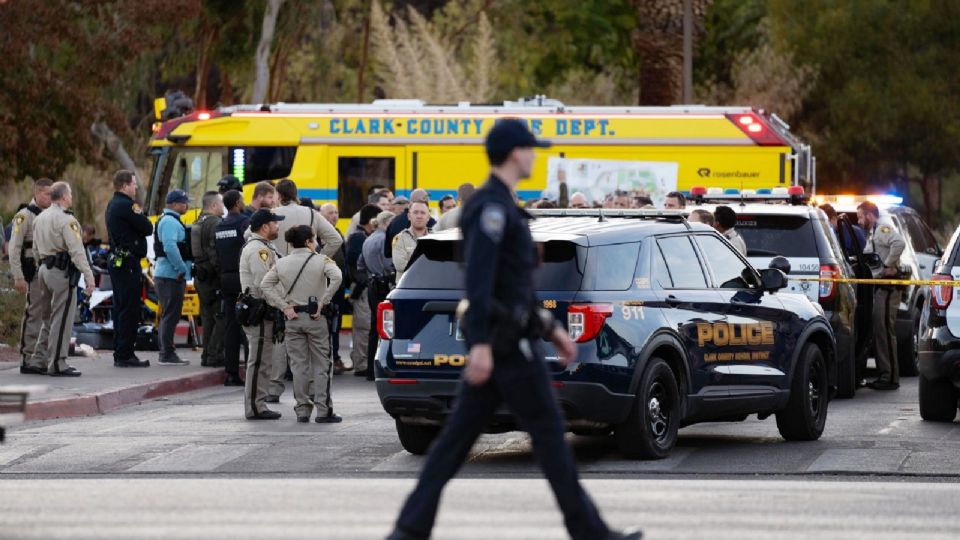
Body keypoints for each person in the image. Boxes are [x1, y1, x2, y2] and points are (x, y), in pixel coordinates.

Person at [386, 119, 640, 540]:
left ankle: (409, 530)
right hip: (507, 348)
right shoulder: (489, 209)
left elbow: (514, 285)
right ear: (513, 153)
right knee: (546, 441)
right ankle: (589, 531)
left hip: (513, 341)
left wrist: (551, 330)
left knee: (460, 444)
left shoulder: (503, 205)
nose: (535, 155)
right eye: (530, 148)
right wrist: (482, 344)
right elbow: (481, 279)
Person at [261, 225, 343, 423]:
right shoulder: (321, 260)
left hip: (292, 319)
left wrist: (283, 306)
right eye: (314, 239)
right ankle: (323, 410)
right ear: (308, 241)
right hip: (316, 317)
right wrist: (324, 300)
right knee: (322, 365)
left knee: (298, 366)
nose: (316, 243)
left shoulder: (282, 263)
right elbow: (337, 277)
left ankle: (302, 410)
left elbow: (265, 285)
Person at [32, 181, 95, 377]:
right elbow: (77, 252)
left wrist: (40, 266)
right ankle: (58, 363)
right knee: (63, 319)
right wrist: (89, 276)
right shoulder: (68, 221)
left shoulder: (40, 218)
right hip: (61, 273)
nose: (72, 198)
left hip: (43, 269)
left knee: (48, 318)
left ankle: (38, 358)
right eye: (70, 194)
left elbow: (34, 249)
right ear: (64, 197)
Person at [239, 209, 285, 420]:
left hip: (264, 311)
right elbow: (263, 284)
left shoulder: (265, 247)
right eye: (276, 223)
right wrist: (283, 304)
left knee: (264, 361)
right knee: (258, 362)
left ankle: (259, 403)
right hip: (259, 311)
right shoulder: (259, 250)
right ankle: (255, 407)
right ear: (265, 227)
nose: (278, 227)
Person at [105, 170, 154, 368]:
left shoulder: (112, 204)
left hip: (119, 260)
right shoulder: (127, 205)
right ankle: (125, 353)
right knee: (129, 308)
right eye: (134, 184)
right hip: (128, 263)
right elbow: (147, 227)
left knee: (120, 306)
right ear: (125, 185)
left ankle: (120, 350)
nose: (135, 188)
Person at [859, 200, 906, 391]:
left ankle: (890, 377)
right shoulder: (873, 233)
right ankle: (884, 374)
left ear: (870, 215)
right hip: (879, 289)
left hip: (888, 290)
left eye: (861, 216)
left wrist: (888, 265)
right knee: (880, 331)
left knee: (886, 331)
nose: (860, 221)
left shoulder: (882, 229)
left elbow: (899, 243)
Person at [9, 178, 53, 374]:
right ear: (37, 194)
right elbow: (14, 248)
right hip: (33, 271)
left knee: (49, 315)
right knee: (34, 314)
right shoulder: (24, 216)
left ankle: (42, 357)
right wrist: (18, 276)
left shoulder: (53, 215)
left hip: (51, 271)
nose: (50, 198)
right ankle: (28, 358)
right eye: (47, 194)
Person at [154, 189, 193, 366]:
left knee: (169, 314)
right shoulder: (169, 221)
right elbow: (170, 247)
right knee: (171, 315)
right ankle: (167, 353)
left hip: (168, 274)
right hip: (171, 275)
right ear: (176, 204)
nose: (187, 205)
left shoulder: (169, 220)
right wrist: (181, 268)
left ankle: (166, 351)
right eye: (185, 202)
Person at [215, 190, 250, 386]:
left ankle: (231, 373)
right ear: (237, 203)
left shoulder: (220, 226)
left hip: (225, 277)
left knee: (231, 326)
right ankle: (252, 371)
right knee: (249, 324)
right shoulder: (243, 223)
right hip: (242, 278)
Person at [359, 210, 395, 381]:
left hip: (372, 284)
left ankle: (370, 370)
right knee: (387, 326)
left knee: (374, 326)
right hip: (384, 284)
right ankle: (384, 366)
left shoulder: (368, 239)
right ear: (386, 223)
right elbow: (390, 263)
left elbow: (360, 264)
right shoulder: (384, 239)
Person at [346, 204, 380, 378]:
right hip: (362, 288)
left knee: (366, 325)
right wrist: (363, 280)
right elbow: (354, 263)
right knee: (363, 327)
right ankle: (361, 364)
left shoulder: (362, 236)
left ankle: (363, 362)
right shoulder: (359, 238)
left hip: (364, 286)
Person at [192, 191, 225, 368]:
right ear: (213, 206)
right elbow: (215, 252)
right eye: (221, 204)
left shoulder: (197, 222)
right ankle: (214, 354)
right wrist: (222, 274)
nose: (223, 207)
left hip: (200, 276)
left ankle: (206, 354)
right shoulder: (215, 223)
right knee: (221, 316)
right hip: (213, 278)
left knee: (207, 318)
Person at [271, 179, 342, 258]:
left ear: (279, 195)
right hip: (308, 266)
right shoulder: (311, 213)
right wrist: (319, 258)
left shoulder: (271, 214)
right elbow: (336, 239)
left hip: (279, 267)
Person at [320, 203, 350, 374]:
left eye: (336, 212)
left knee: (336, 325)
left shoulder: (338, 234)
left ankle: (335, 356)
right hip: (324, 288)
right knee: (324, 325)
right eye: (330, 213)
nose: (334, 215)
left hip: (338, 288)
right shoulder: (317, 235)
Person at [385, 190, 436, 258]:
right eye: (427, 202)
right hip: (421, 265)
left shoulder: (394, 222)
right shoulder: (429, 222)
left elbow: (387, 253)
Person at [392, 200, 431, 278]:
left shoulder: (436, 237)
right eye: (415, 212)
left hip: (430, 286)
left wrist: (411, 260)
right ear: (409, 216)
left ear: (428, 217)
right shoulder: (399, 239)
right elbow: (400, 266)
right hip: (408, 288)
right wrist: (428, 265)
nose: (419, 216)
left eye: (423, 213)